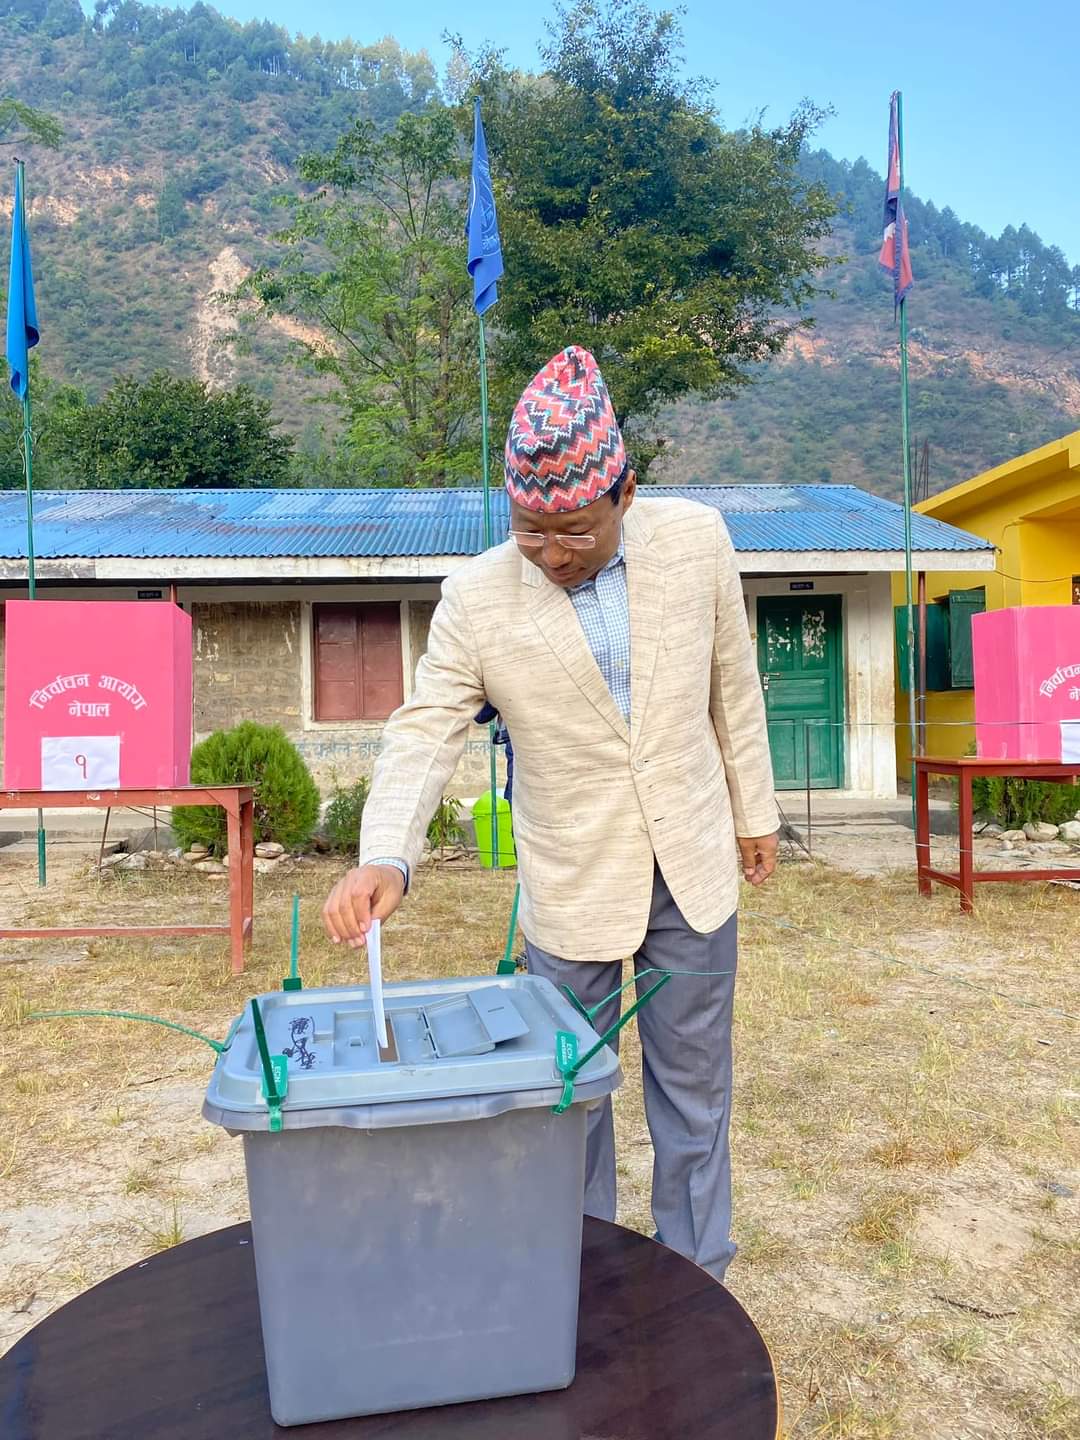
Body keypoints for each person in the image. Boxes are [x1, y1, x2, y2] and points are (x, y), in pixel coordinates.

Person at [323, 345, 779, 1279]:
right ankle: (583, 1281)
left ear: (626, 493)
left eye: (574, 530)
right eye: (532, 532)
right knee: (568, 1095)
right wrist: (386, 854)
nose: (554, 553)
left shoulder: (698, 541)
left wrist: (754, 812)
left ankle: (698, 1277)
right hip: (571, 878)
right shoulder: (477, 597)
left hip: (691, 863)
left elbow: (733, 683)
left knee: (695, 1090)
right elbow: (425, 728)